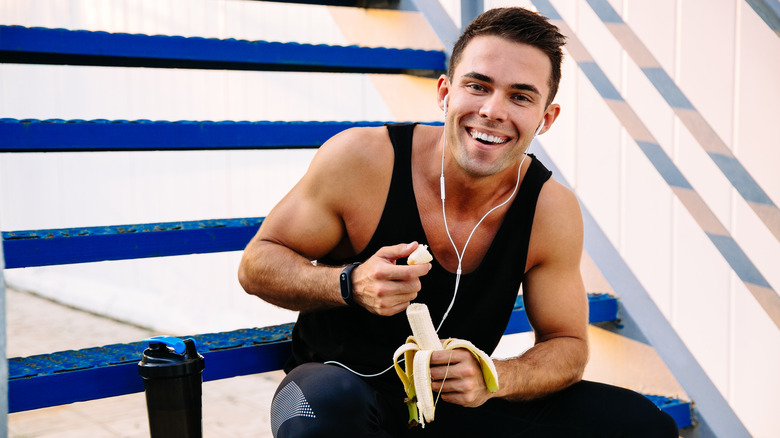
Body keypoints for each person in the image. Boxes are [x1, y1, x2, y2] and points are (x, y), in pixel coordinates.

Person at [239, 7, 678, 438]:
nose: (492, 110)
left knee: (644, 425)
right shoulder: (362, 160)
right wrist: (348, 284)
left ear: (546, 118)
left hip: (456, 408)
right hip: (341, 391)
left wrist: (495, 376)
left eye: (520, 96)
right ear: (445, 92)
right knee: (319, 407)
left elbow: (568, 346)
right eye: (478, 85)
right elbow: (257, 264)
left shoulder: (550, 209)